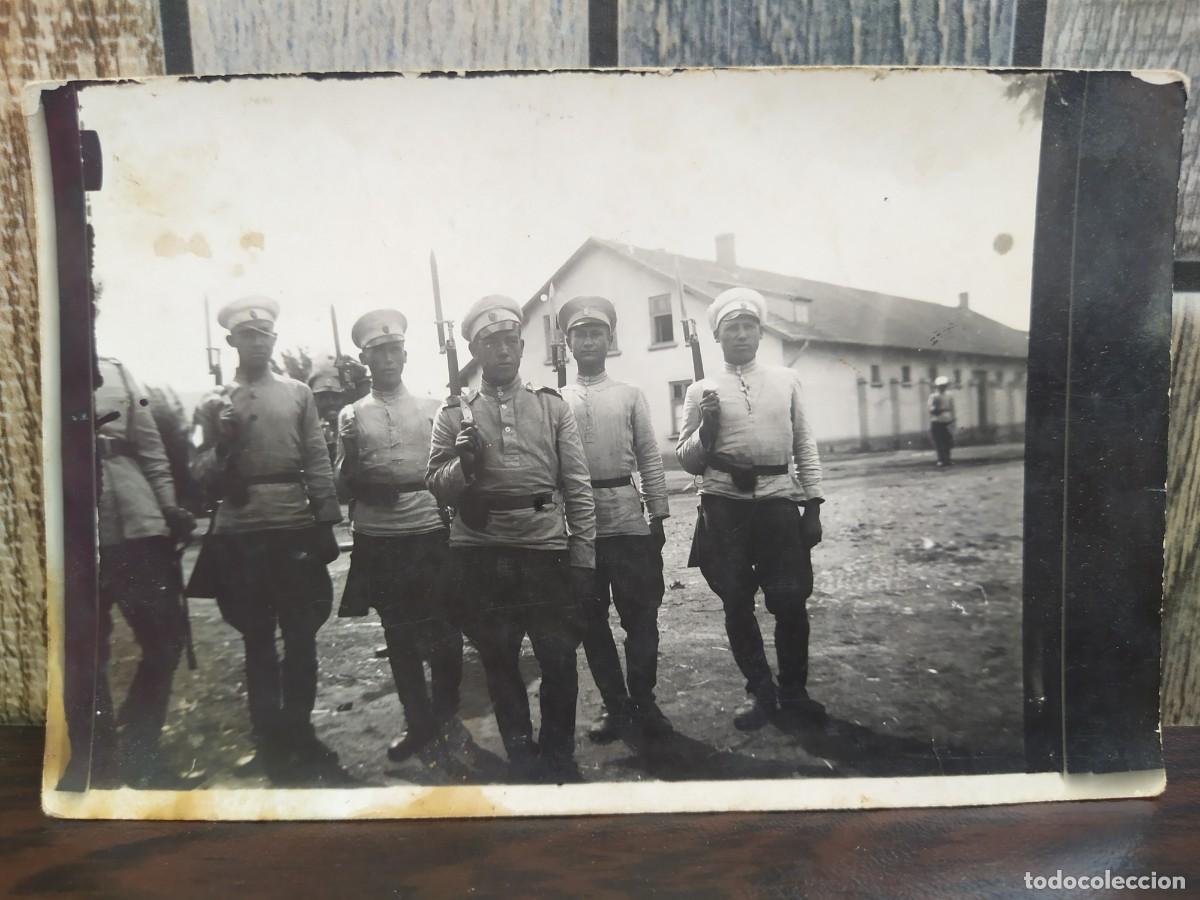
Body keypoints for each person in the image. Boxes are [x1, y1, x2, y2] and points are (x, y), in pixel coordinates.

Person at [426, 294, 596, 782]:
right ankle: (522, 753)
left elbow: (573, 487)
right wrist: (466, 463)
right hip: (481, 552)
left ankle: (559, 752)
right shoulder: (455, 413)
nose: (501, 351)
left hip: (544, 547)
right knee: (500, 661)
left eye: (509, 341)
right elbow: (435, 482)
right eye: (489, 343)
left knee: (558, 659)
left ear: (522, 346)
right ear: (475, 352)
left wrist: (582, 555)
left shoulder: (550, 404)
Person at [189, 296, 343, 782]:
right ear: (232, 341)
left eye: (265, 335)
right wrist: (222, 443)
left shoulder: (298, 393)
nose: (257, 342)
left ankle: (301, 734)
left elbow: (317, 459)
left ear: (274, 340)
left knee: (300, 637)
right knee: (256, 639)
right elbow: (198, 472)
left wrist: (325, 521)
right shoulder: (212, 401)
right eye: (247, 335)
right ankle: (268, 742)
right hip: (240, 533)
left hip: (292, 524)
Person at [676, 287, 827, 732]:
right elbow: (687, 459)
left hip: (779, 504)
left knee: (790, 601)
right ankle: (760, 693)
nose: (740, 335)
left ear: (760, 333)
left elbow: (804, 445)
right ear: (717, 337)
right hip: (723, 508)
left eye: (748, 327)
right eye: (730, 329)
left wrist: (813, 504)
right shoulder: (700, 390)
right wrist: (708, 428)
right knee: (737, 603)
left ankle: (794, 691)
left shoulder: (786, 380)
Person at [335, 308, 464, 763]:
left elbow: (452, 468)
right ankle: (418, 721)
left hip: (427, 527)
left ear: (405, 355)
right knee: (399, 632)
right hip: (378, 534)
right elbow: (340, 483)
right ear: (365, 359)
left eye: (393, 351)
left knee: (445, 628)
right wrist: (352, 465)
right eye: (377, 353)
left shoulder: (433, 407)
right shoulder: (351, 415)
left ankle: (447, 710)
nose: (387, 360)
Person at [61, 357, 195, 789]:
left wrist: (168, 505)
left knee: (165, 640)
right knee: (85, 654)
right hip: (72, 527)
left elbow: (152, 449)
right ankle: (98, 764)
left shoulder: (117, 372)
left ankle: (141, 751)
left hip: (138, 525)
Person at [558, 296, 673, 742]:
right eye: (579, 334)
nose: (588, 341)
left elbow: (649, 456)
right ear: (567, 343)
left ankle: (645, 702)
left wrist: (658, 514)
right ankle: (615, 705)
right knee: (590, 620)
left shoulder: (629, 395)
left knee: (641, 617)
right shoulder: (555, 401)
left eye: (596, 333)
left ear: (609, 339)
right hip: (579, 526)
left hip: (627, 517)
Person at [928, 375, 957, 467]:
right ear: (937, 387)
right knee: (939, 441)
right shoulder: (933, 396)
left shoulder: (950, 395)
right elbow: (931, 409)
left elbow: (952, 408)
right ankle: (941, 459)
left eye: (944, 385)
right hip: (937, 421)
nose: (942, 387)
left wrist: (953, 419)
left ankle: (947, 459)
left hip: (947, 420)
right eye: (940, 386)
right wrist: (937, 409)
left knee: (948, 441)